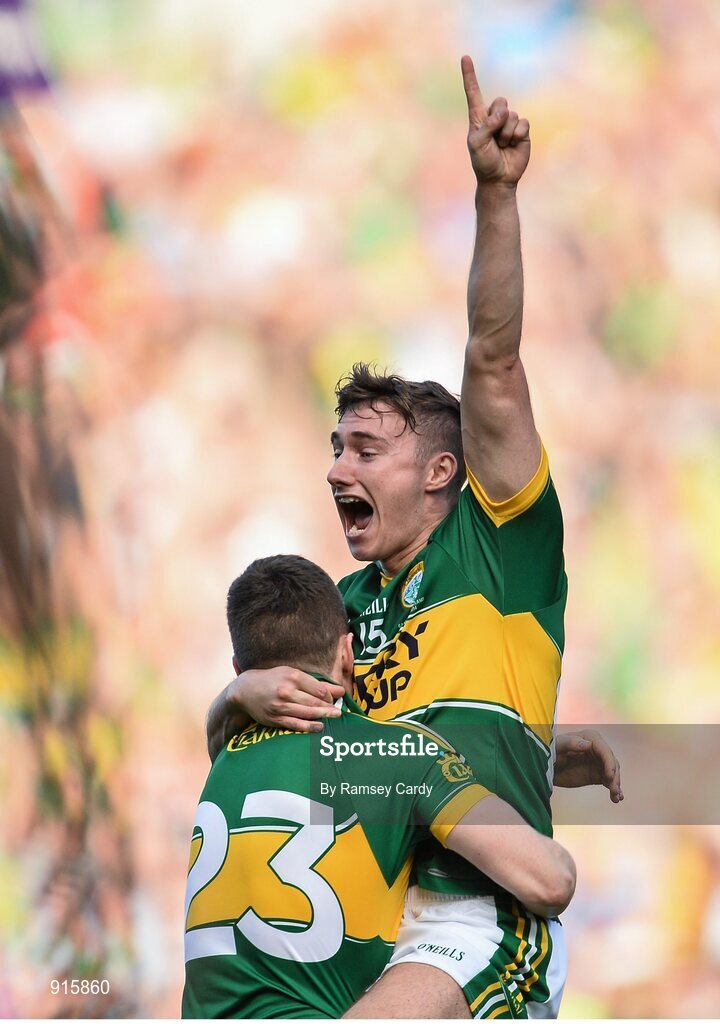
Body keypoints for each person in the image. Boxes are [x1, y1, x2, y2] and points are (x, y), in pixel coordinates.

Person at [206, 56, 622, 1019]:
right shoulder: (337, 610)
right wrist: (236, 694)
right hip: (371, 923)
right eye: (334, 446)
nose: (336, 469)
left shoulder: (499, 546)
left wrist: (496, 196)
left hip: (479, 914)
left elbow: (493, 356)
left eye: (365, 448)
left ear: (441, 471)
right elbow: (294, 754)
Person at [183, 555, 576, 1019]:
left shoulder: (223, 759)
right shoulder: (397, 757)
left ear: (239, 670)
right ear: (348, 655)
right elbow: (551, 881)